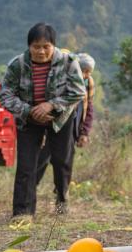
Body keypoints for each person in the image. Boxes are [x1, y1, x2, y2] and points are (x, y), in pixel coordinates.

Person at [0, 23, 86, 218]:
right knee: (26, 166)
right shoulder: (18, 65)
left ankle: (62, 202)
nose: (41, 51)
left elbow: (78, 91)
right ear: (29, 46)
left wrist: (51, 105)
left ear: (53, 46)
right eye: (36, 47)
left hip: (60, 119)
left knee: (61, 161)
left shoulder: (68, 62)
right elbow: (5, 94)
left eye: (46, 46)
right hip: (28, 120)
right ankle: (23, 213)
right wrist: (29, 111)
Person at [34, 52, 96, 209]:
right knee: (41, 160)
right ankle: (29, 194)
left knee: (64, 163)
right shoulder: (63, 81)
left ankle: (62, 199)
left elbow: (89, 109)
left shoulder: (88, 83)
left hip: (71, 130)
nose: (86, 75)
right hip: (52, 127)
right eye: (84, 71)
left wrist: (84, 132)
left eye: (89, 72)